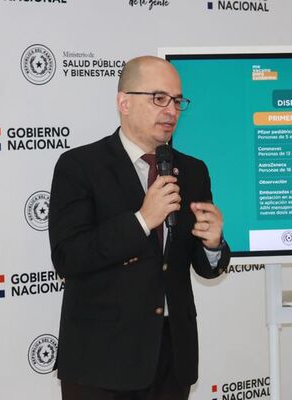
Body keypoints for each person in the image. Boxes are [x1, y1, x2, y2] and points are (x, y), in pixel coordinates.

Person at [48, 55, 230, 400]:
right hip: (101, 361)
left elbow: (204, 266)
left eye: (177, 101)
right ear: (124, 102)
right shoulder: (80, 166)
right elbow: (69, 256)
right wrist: (142, 220)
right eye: (159, 98)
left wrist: (213, 245)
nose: (171, 111)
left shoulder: (193, 171)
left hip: (172, 357)